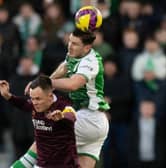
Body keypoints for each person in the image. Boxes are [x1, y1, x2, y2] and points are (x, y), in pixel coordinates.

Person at [12, 28, 110, 168]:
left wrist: (46, 84)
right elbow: (64, 67)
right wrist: (44, 84)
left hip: (89, 118)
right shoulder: (74, 54)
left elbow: (73, 84)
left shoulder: (91, 62)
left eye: (75, 43)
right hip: (95, 122)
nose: (70, 45)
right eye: (70, 41)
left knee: (44, 133)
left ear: (87, 47)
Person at [0, 75, 79, 168]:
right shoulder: (35, 106)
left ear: (50, 96)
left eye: (38, 99)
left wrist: (62, 116)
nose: (34, 102)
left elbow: (71, 115)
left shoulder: (62, 106)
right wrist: (7, 95)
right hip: (42, 163)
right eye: (32, 98)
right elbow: (24, 104)